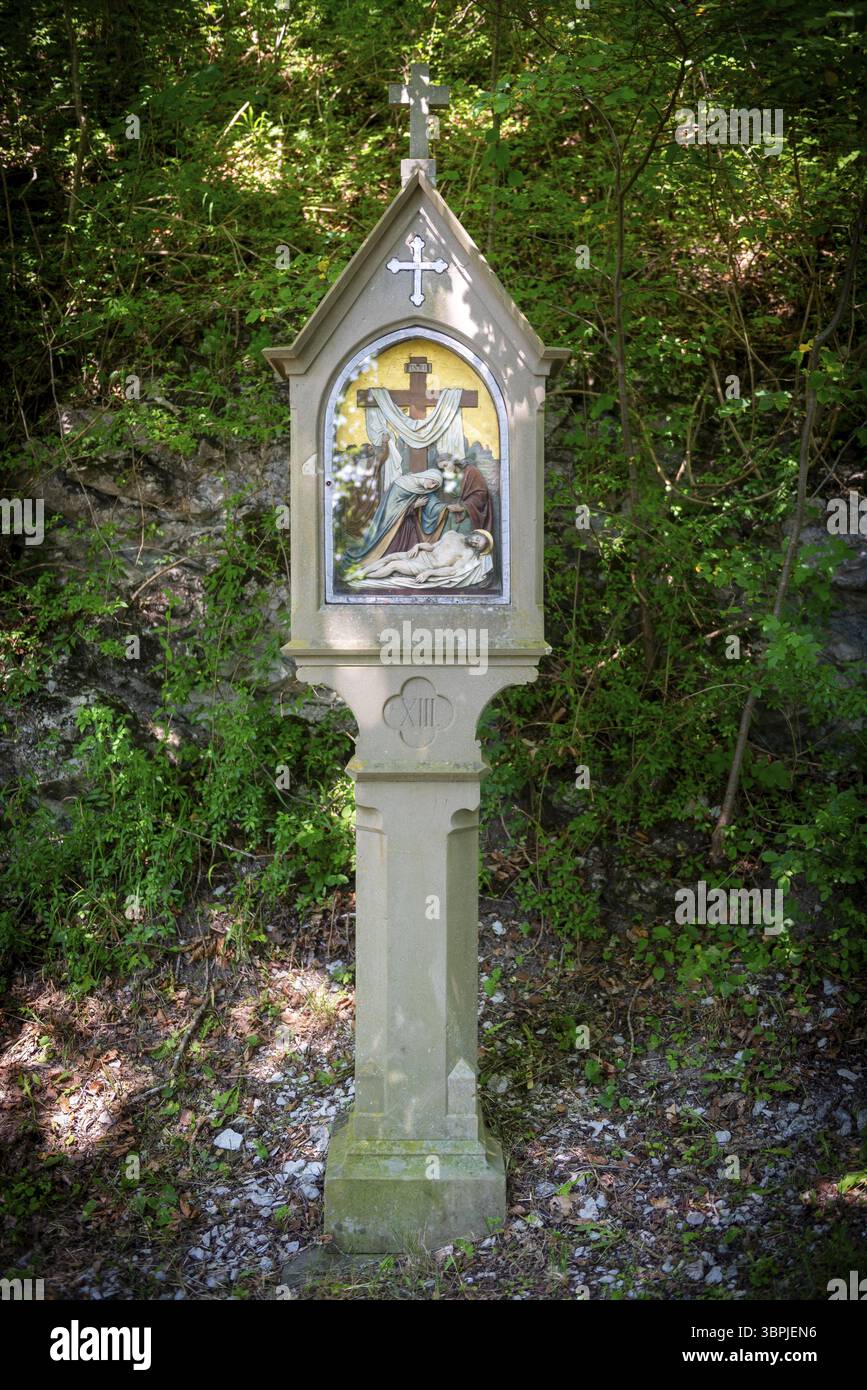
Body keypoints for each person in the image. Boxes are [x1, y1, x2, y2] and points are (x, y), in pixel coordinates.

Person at [351, 529, 494, 589]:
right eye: (477, 539)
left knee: (393, 565)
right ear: (476, 532)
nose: (474, 542)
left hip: (428, 567)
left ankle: (363, 577)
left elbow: (452, 571)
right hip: (422, 555)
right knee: (390, 556)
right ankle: (361, 572)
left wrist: (429, 573)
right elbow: (432, 546)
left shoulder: (467, 553)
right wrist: (418, 546)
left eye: (477, 545)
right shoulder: (452, 533)